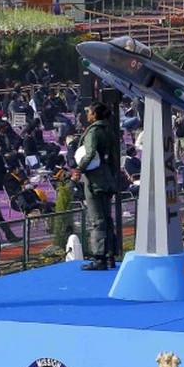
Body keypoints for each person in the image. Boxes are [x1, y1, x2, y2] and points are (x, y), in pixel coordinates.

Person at [72, 102, 120, 272]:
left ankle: (99, 257)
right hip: (107, 179)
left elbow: (90, 152)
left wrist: (79, 169)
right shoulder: (110, 130)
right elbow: (114, 158)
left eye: (89, 112)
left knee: (97, 220)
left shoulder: (93, 131)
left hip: (95, 181)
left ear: (94, 114)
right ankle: (110, 255)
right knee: (107, 218)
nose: (87, 115)